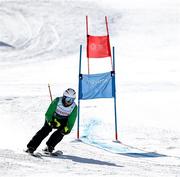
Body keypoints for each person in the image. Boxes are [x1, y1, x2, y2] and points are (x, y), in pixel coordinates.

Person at [26, 88, 77, 154]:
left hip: (63, 121)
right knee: (45, 130)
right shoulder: (57, 101)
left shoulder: (74, 107)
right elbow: (48, 113)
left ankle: (50, 146)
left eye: (72, 100)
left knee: (61, 132)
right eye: (68, 99)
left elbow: (71, 120)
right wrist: (50, 121)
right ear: (64, 97)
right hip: (52, 118)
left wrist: (68, 129)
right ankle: (31, 147)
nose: (69, 102)